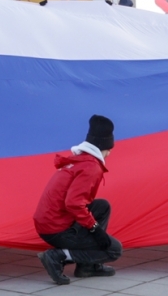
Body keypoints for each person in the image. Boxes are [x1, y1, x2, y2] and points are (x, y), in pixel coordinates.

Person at [34, 115, 122, 284]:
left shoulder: (80, 160)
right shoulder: (91, 167)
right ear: (105, 148)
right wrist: (96, 230)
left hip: (49, 222)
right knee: (114, 250)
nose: (110, 153)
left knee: (102, 206)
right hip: (56, 229)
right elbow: (74, 204)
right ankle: (57, 256)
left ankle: (88, 266)